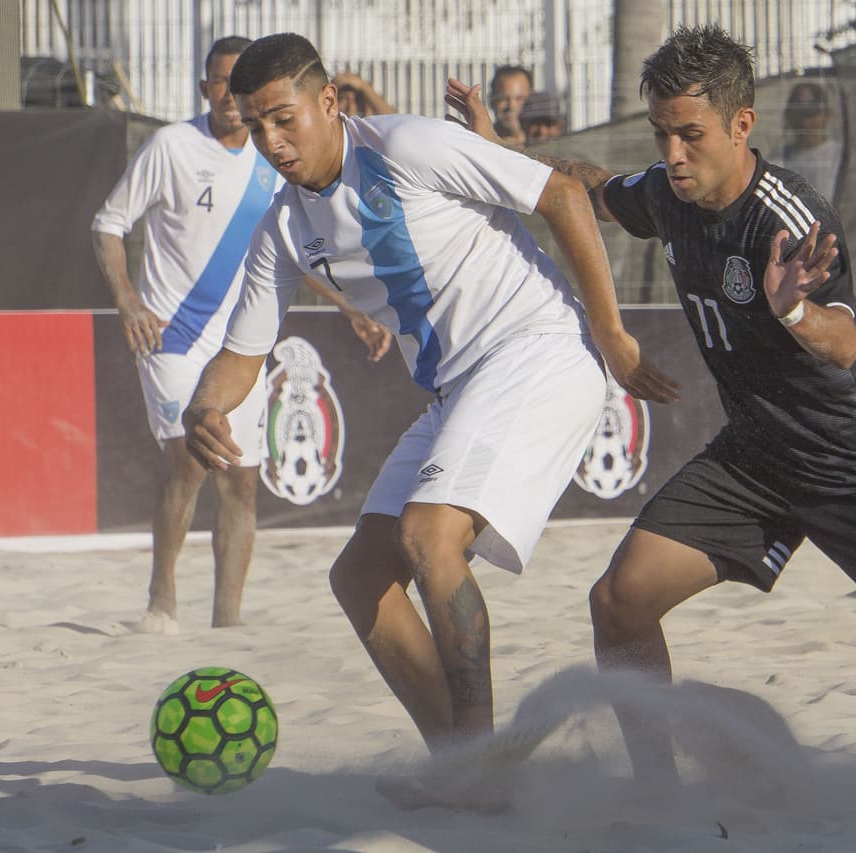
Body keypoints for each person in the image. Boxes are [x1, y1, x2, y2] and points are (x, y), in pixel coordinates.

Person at [446, 24, 856, 797]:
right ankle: (661, 801)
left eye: (689, 135)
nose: (671, 154)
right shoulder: (670, 193)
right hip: (757, 455)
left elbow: (844, 344)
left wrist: (792, 311)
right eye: (661, 133)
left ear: (742, 124)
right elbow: (587, 185)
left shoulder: (788, 218)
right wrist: (500, 146)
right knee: (619, 600)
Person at [180, 32, 678, 797]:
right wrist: (206, 403)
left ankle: (473, 774)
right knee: (358, 577)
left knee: (426, 535)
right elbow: (244, 354)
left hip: (537, 350)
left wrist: (611, 335)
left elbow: (562, 193)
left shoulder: (408, 143)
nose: (271, 141)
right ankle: (464, 761)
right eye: (255, 125)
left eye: (284, 118)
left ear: (329, 103)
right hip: (461, 385)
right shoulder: (281, 226)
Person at [92, 36, 389, 634]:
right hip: (173, 337)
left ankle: (227, 622)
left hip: (239, 347)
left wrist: (350, 308)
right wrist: (127, 302)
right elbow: (108, 225)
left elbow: (296, 254)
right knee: (188, 461)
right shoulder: (172, 146)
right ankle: (162, 601)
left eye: (239, 83)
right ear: (205, 89)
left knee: (242, 484)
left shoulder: (272, 154)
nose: (230, 95)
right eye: (220, 83)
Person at [778, 80, 843, 202]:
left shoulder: (840, 157)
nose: (805, 123)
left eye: (812, 115)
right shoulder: (778, 159)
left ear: (827, 116)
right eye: (800, 115)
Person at [488, 64, 533, 147]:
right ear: (491, 100)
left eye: (519, 98)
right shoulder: (483, 142)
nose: (511, 106)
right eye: (503, 98)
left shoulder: (548, 140)